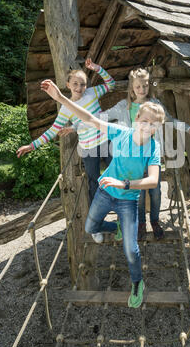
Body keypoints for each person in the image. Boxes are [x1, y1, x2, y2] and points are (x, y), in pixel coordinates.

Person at [41, 76, 165, 308]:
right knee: (90, 227)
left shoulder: (153, 147)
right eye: (145, 121)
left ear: (157, 127)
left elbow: (153, 180)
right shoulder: (121, 133)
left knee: (131, 249)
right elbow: (88, 117)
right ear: (137, 118)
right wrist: (60, 98)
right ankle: (114, 226)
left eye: (154, 124)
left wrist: (124, 185)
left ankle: (137, 282)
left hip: (127, 199)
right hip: (106, 192)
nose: (148, 126)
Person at [16, 58, 118, 234]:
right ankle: (98, 223)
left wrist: (96, 68)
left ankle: (124, 211)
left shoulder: (92, 93)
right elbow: (52, 131)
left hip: (106, 141)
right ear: (68, 85)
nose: (79, 88)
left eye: (83, 84)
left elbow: (111, 83)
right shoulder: (65, 108)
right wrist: (32, 145)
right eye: (76, 84)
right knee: (93, 182)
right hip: (88, 149)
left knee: (118, 172)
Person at [101, 67, 190, 240]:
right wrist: (79, 121)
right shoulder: (123, 107)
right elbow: (101, 116)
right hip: (132, 157)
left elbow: (169, 119)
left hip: (151, 155)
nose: (142, 90)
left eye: (145, 86)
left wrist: (188, 129)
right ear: (132, 88)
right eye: (138, 86)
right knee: (139, 194)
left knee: (155, 192)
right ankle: (141, 224)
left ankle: (155, 221)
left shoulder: (155, 105)